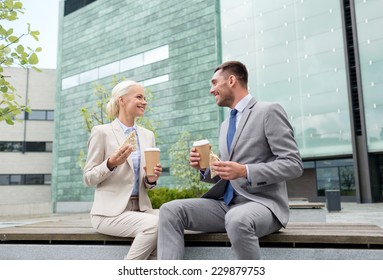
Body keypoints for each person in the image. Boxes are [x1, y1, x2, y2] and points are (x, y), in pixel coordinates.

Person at [157, 61, 303, 260]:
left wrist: (245, 171)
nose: (211, 90)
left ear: (232, 80)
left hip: (262, 204)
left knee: (237, 219)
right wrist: (203, 168)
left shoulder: (268, 111)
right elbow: (226, 171)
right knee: (170, 210)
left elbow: (293, 164)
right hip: (225, 205)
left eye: (215, 83)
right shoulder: (225, 124)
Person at [83, 80, 162, 260]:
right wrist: (110, 163)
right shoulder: (101, 132)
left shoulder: (147, 135)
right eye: (139, 97)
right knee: (155, 225)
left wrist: (151, 178)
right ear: (122, 100)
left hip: (141, 209)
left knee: (174, 219)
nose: (144, 102)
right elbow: (88, 178)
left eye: (145, 98)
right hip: (109, 213)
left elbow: (148, 184)